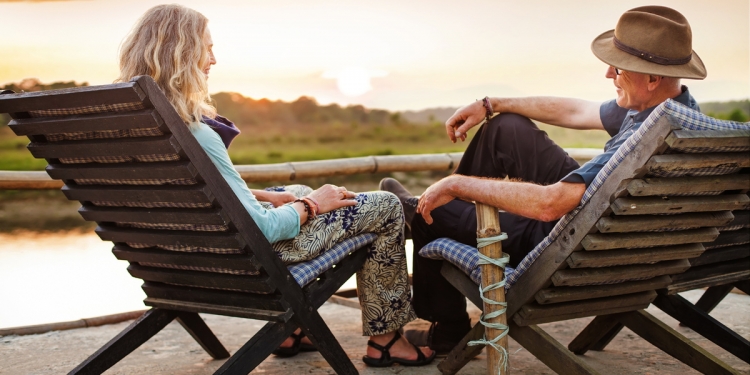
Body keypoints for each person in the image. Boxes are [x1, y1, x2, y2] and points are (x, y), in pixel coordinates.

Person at [118, 4, 435, 367]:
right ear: (184, 53)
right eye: (207, 48)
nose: (214, 59)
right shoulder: (195, 132)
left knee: (294, 190)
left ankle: (290, 330)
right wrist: (313, 204)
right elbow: (265, 229)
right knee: (385, 206)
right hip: (249, 260)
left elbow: (188, 193)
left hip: (178, 260)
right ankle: (386, 340)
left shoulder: (138, 127)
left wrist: (266, 195)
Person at [380, 5, 706, 354]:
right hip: (606, 228)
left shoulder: (642, 141)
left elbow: (550, 204)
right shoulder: (677, 112)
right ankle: (456, 213)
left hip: (569, 241)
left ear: (651, 77)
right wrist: (493, 104)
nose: (609, 73)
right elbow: (576, 111)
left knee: (423, 211)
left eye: (618, 67)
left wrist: (455, 185)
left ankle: (448, 329)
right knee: (506, 127)